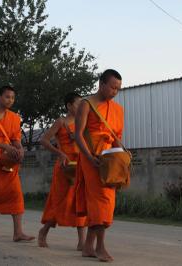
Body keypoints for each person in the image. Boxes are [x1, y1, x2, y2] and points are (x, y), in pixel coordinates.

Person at [74, 69, 124, 262]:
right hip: (91, 158)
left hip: (109, 159)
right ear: (101, 84)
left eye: (118, 89)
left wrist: (122, 159)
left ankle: (88, 246)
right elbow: (78, 134)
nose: (114, 91)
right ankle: (100, 246)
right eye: (112, 87)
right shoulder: (86, 104)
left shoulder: (117, 109)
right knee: (100, 200)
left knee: (106, 200)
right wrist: (88, 156)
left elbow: (116, 138)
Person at [0, 85, 34, 242]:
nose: (10, 100)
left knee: (15, 193)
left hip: (9, 160)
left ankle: (18, 233)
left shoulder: (15, 118)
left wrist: (20, 149)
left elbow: (16, 139)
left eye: (12, 98)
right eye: (7, 97)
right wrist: (4, 146)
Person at [38, 92, 87, 249]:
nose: (80, 107)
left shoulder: (83, 122)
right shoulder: (61, 122)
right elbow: (43, 140)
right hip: (64, 166)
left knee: (80, 201)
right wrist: (60, 152)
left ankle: (82, 241)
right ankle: (44, 231)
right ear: (69, 106)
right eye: (78, 104)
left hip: (79, 165)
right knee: (59, 202)